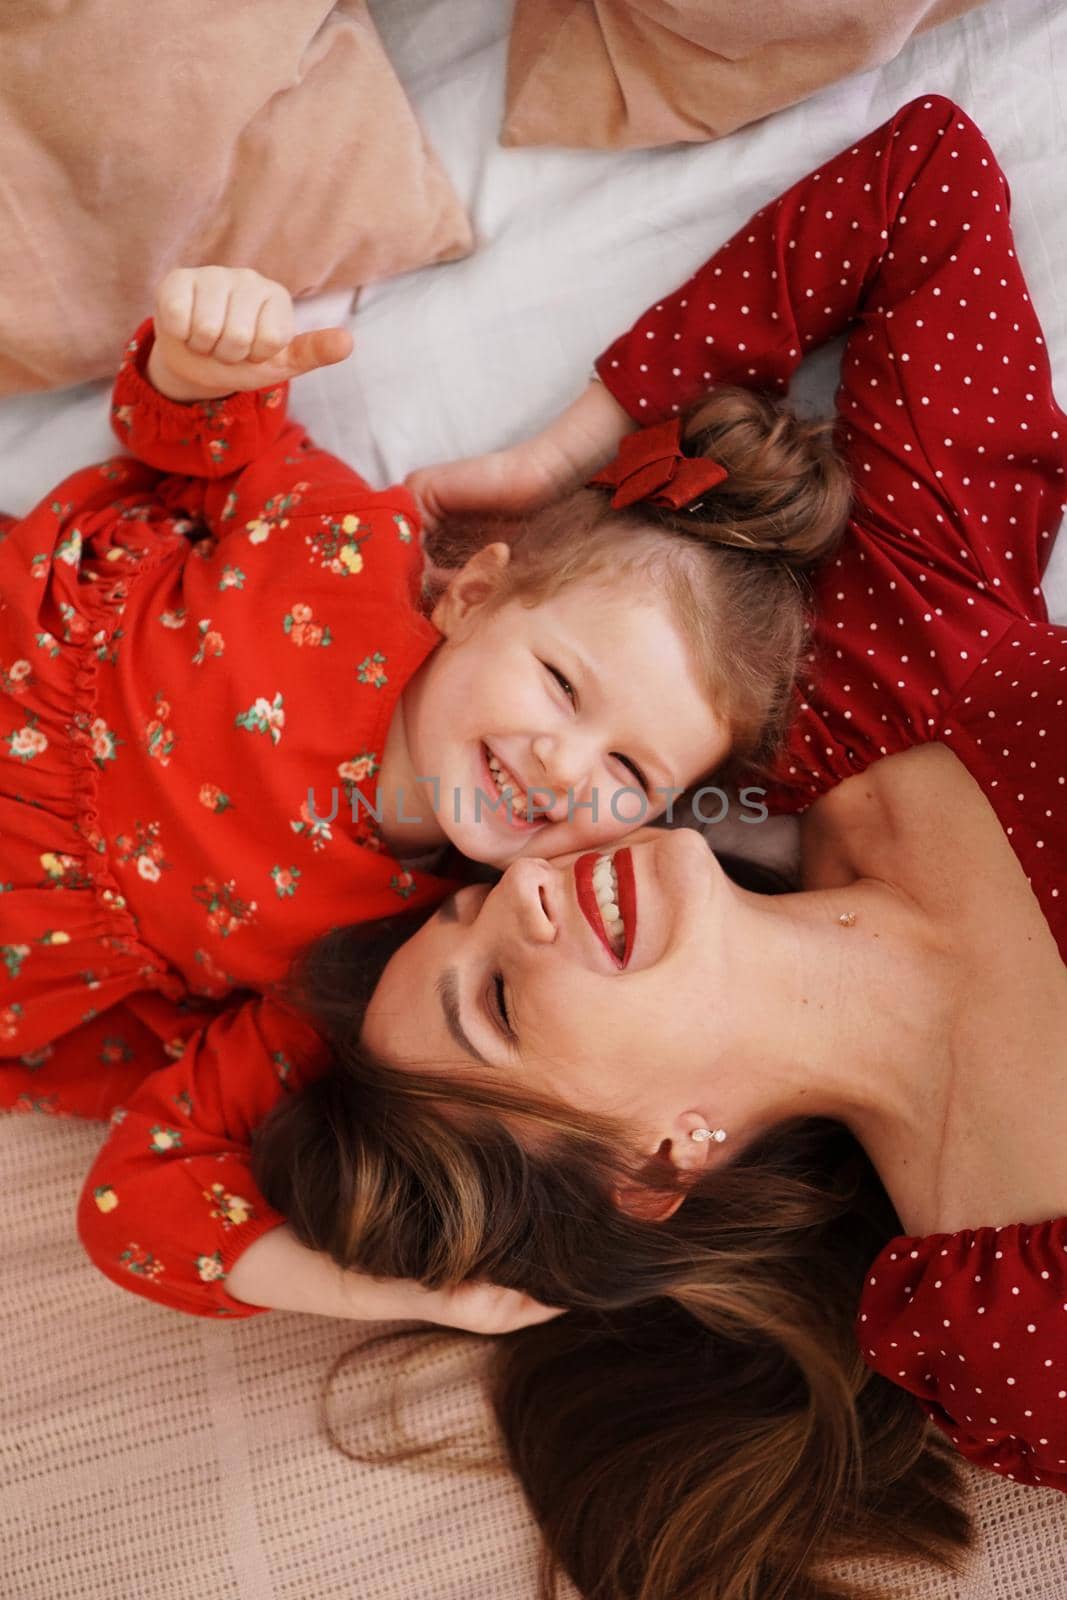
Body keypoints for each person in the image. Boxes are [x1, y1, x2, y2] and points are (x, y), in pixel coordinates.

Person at [80, 93, 1065, 1600]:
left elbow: (921, 179)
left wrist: (564, 457)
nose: (526, 888)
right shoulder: (998, 1326)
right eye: (494, 999)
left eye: (474, 905)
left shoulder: (869, 671)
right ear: (646, 1173)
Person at [0, 263, 845, 1116]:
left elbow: (203, 1102)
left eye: (628, 773)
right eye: (559, 684)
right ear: (472, 597)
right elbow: (199, 447)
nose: (563, 765)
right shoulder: (350, 554)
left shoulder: (420, 940)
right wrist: (198, 368)